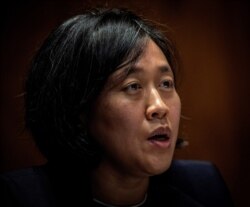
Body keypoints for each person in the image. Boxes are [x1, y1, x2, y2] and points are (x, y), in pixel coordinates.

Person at [1, 7, 234, 207]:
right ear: (78, 109)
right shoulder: (20, 196)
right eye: (132, 87)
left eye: (166, 84)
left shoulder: (204, 186)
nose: (159, 106)